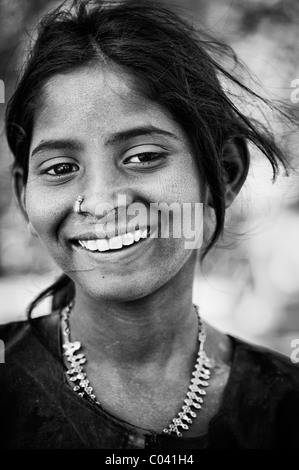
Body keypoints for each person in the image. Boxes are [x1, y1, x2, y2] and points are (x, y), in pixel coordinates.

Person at [1, 0, 299, 450]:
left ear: (225, 171)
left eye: (143, 157)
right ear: (25, 195)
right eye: (61, 168)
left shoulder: (284, 403)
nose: (101, 203)